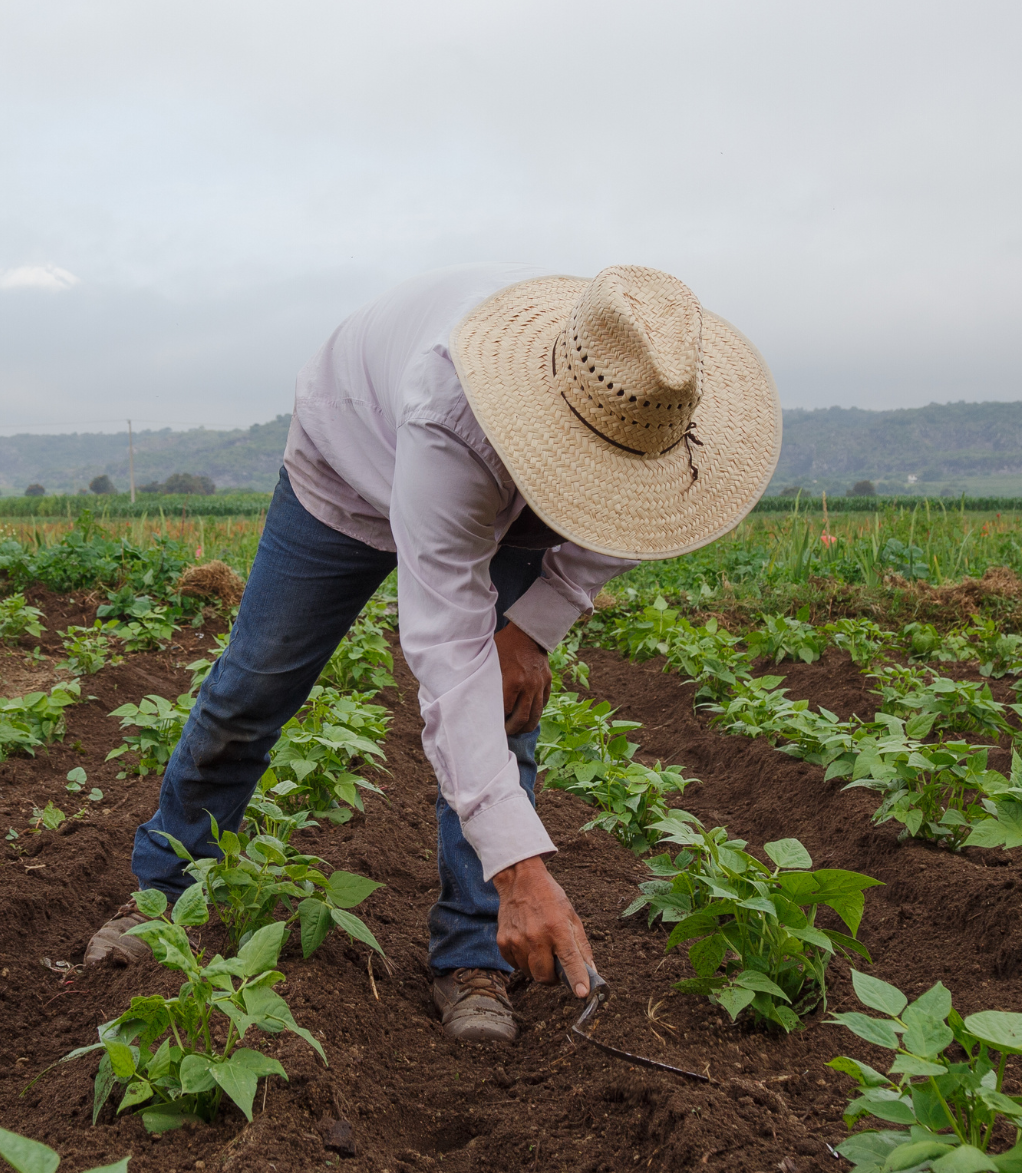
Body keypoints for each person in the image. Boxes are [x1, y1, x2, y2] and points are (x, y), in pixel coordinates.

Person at [83, 264, 780, 1041]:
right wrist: (523, 870)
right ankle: (163, 891)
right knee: (253, 688)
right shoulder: (456, 410)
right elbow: (448, 660)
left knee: (508, 708)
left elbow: (628, 532)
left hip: (511, 501)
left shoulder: (661, 412)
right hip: (352, 462)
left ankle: (472, 955)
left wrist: (532, 628)